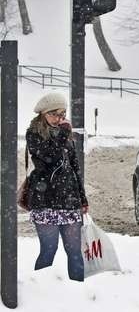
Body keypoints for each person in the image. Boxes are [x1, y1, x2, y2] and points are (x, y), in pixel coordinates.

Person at [26, 92, 89, 282]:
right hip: (45, 199)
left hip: (68, 200)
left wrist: (82, 198)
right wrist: (63, 136)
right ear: (44, 114)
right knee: (48, 250)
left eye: (62, 114)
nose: (59, 119)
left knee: (75, 252)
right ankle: (39, 292)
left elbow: (75, 168)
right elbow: (49, 158)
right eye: (55, 114)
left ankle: (79, 294)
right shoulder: (34, 133)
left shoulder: (66, 137)